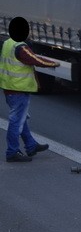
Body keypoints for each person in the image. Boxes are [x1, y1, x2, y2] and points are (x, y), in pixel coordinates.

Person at [1, 17, 59, 163]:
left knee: (22, 119)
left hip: (10, 88)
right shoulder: (20, 47)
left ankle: (31, 145)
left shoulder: (8, 43)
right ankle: (12, 152)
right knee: (16, 121)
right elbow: (35, 60)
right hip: (19, 88)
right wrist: (53, 63)